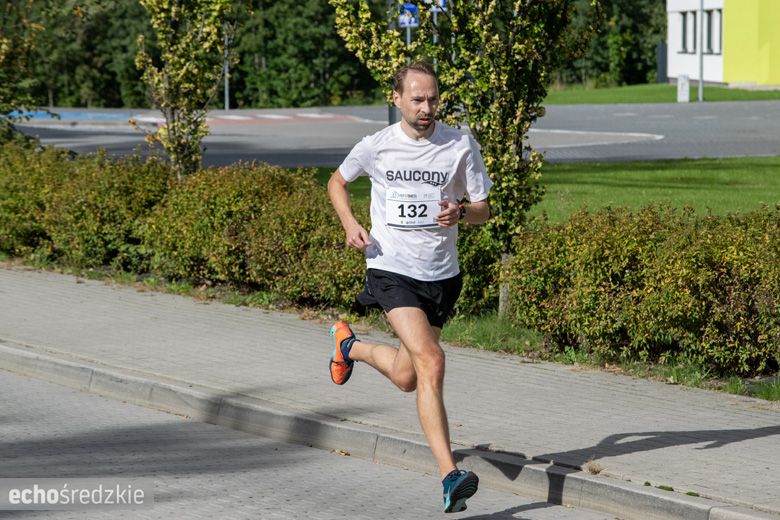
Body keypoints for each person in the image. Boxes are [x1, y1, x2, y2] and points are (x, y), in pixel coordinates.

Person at [326, 61, 492, 514]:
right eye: (417, 99)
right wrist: (349, 223)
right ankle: (449, 475)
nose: (427, 108)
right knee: (432, 360)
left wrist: (460, 212)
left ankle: (350, 347)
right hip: (390, 267)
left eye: (433, 98)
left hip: (441, 275)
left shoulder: (459, 144)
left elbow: (482, 208)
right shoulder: (377, 146)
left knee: (406, 376)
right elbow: (337, 182)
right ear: (396, 98)